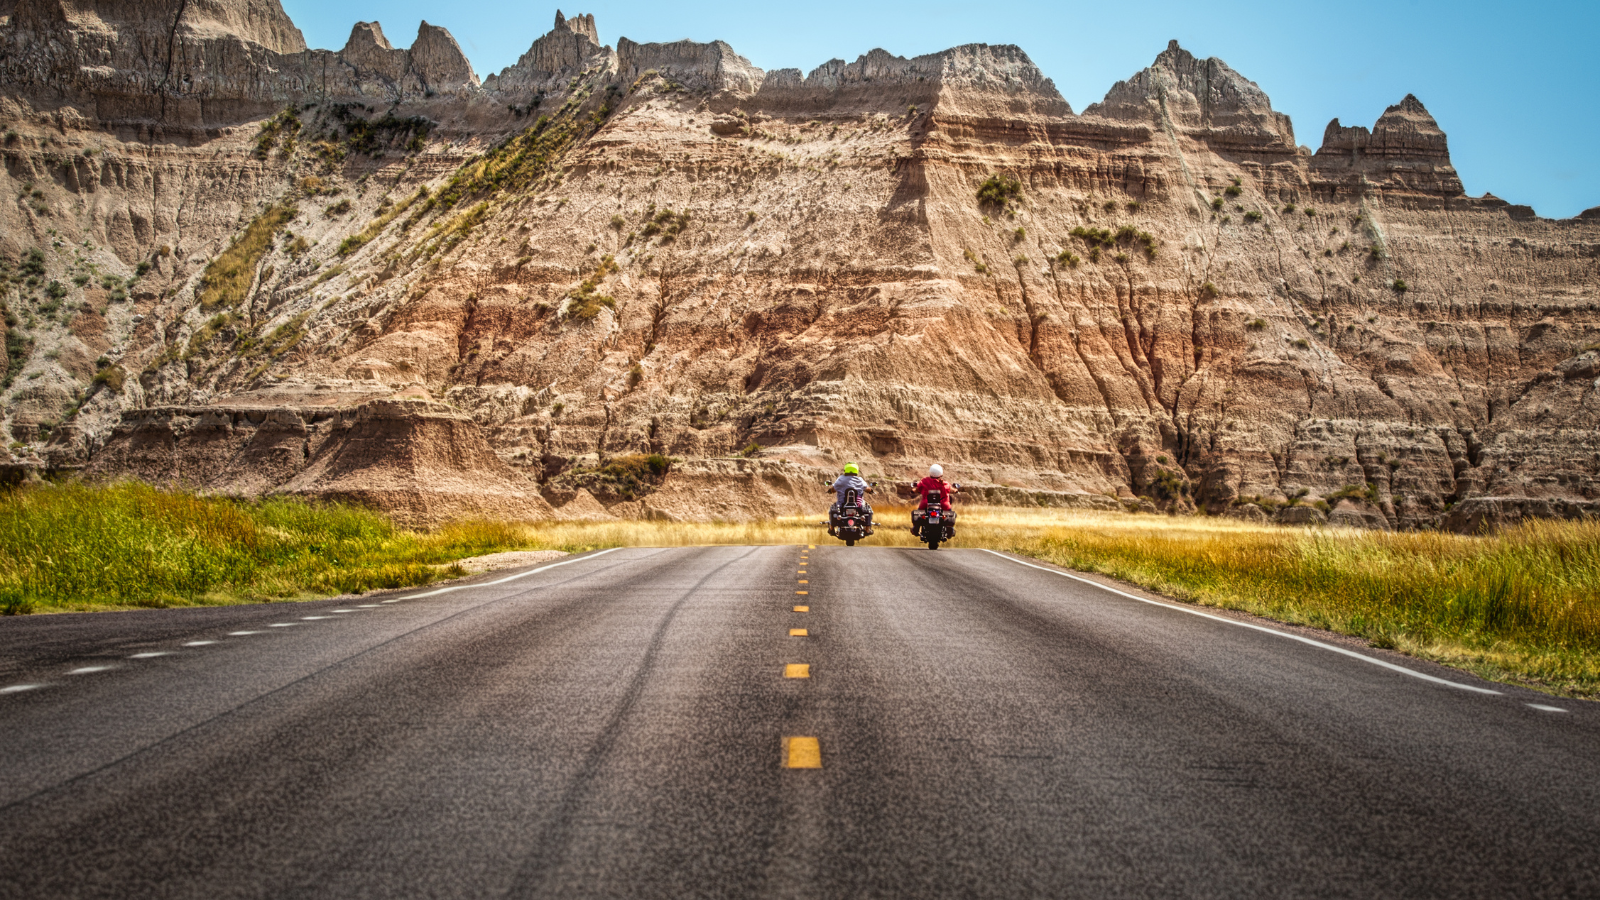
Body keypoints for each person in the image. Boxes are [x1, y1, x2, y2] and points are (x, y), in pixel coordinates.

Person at [826, 463, 874, 535]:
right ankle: (867, 530)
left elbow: (833, 489)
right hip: (858, 505)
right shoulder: (860, 480)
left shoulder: (841, 479)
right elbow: (867, 488)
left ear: (846, 470)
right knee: (868, 509)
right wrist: (871, 490)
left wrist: (830, 491)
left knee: (833, 509)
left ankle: (831, 529)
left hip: (842, 504)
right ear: (856, 470)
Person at [911, 464, 956, 536]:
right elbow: (952, 490)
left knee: (918, 514)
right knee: (950, 514)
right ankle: (950, 530)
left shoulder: (924, 481)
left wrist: (913, 490)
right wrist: (956, 490)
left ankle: (916, 529)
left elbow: (917, 489)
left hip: (926, 504)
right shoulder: (945, 483)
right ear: (941, 473)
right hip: (944, 505)